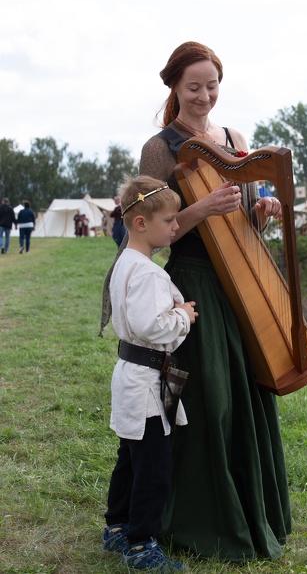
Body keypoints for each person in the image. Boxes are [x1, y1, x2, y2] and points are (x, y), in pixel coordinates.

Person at [137, 41, 291, 562]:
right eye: (194, 87)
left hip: (239, 282)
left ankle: (251, 510)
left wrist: (261, 207)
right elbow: (154, 233)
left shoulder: (234, 139)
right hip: (195, 283)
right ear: (175, 89)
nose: (205, 96)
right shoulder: (160, 149)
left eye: (212, 85)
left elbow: (243, 216)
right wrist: (201, 208)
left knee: (245, 394)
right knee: (210, 401)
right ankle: (199, 517)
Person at [102, 174, 198, 571]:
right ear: (140, 223)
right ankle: (140, 545)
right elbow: (150, 326)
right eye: (170, 220)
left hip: (134, 376)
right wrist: (183, 316)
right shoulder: (147, 273)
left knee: (130, 459)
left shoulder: (128, 261)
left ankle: (117, 527)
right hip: (144, 383)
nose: (177, 226)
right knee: (154, 470)